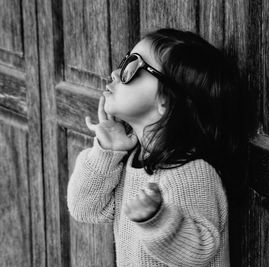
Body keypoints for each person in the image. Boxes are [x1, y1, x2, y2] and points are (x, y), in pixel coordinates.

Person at [67, 28, 251, 267]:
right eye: (124, 61)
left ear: (165, 100)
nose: (114, 73)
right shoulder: (131, 163)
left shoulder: (192, 173)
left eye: (132, 67)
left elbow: (199, 250)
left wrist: (158, 220)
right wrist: (107, 149)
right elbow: (85, 208)